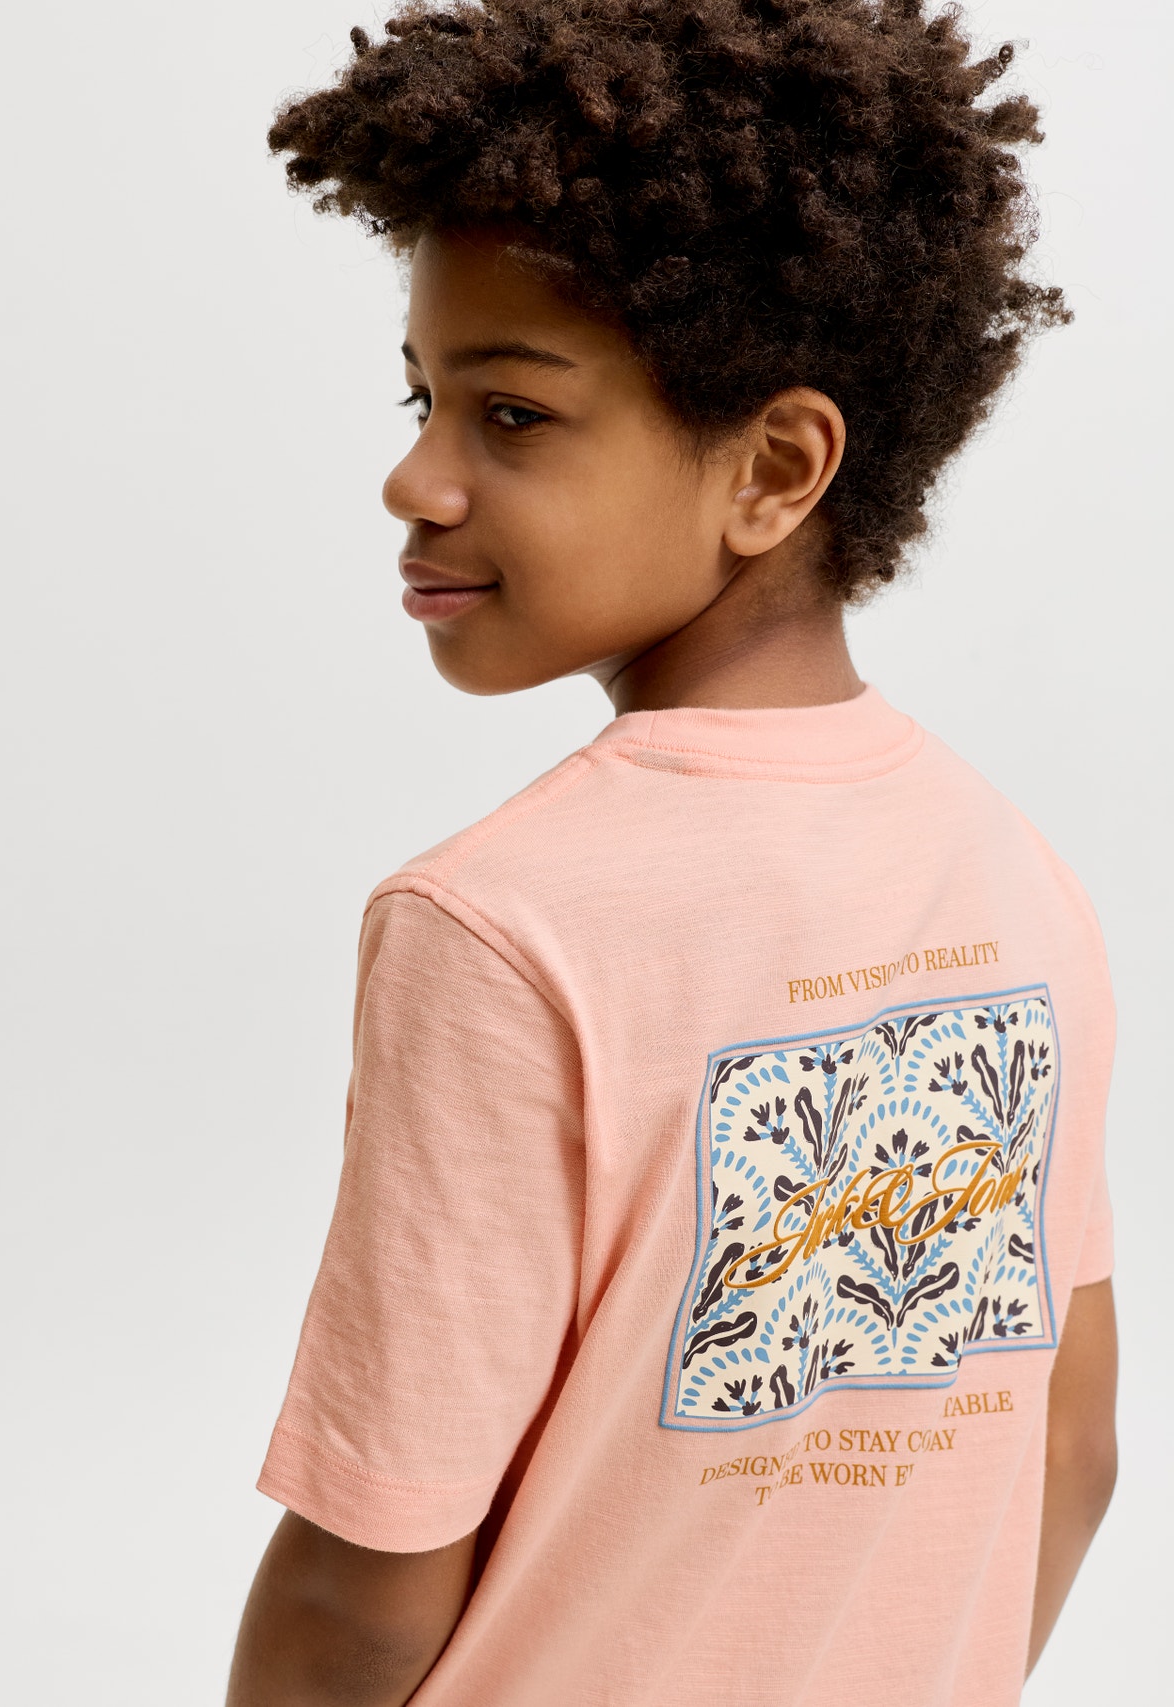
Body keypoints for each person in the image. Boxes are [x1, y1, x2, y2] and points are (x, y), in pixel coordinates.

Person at [226, 3, 1118, 1702]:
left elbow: (365, 1582)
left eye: (512, 416)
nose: (414, 479)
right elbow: (1073, 1445)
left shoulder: (499, 928)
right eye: (423, 396)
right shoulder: (1018, 882)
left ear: (775, 468)